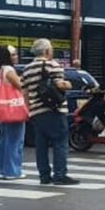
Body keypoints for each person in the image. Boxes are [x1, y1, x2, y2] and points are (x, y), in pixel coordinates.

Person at [22, 39, 79, 186]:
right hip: (54, 109)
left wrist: (29, 110)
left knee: (41, 145)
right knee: (60, 142)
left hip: (36, 111)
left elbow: (25, 92)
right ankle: (60, 175)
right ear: (47, 51)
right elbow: (60, 84)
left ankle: (44, 176)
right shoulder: (52, 65)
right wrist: (69, 84)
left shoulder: (27, 69)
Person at [0, 45, 26, 180]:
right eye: (13, 54)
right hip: (14, 108)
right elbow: (20, 86)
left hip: (4, 108)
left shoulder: (0, 70)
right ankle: (12, 171)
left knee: (5, 139)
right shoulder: (9, 70)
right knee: (15, 140)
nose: (16, 57)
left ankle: (3, 169)